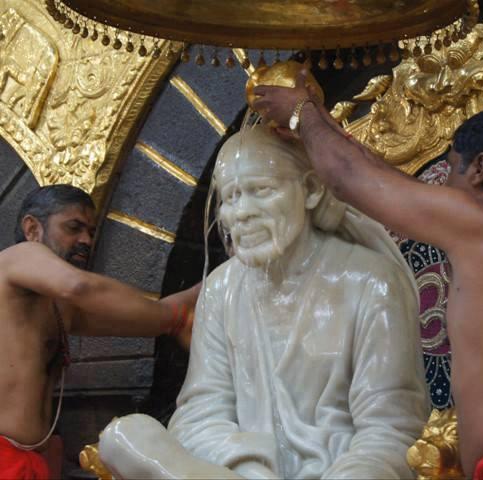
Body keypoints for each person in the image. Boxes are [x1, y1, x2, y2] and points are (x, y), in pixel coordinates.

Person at [252, 73, 483, 479]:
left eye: (450, 170)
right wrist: (323, 123)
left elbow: (349, 178)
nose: (444, 188)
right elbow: (386, 181)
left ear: (480, 169)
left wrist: (300, 111)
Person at [97, 124, 428, 480]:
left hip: (339, 471)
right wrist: (253, 469)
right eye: (231, 197)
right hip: (244, 473)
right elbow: (200, 414)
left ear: (312, 190)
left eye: (260, 191)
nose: (240, 213)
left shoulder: (372, 282)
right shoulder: (221, 289)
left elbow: (389, 431)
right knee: (123, 436)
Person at [0, 184, 199, 479]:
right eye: (73, 228)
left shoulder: (57, 309)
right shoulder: (17, 257)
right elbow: (80, 286)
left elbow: (152, 320)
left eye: (91, 232)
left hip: (33, 461)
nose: (86, 241)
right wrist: (173, 317)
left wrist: (214, 282)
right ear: (32, 228)